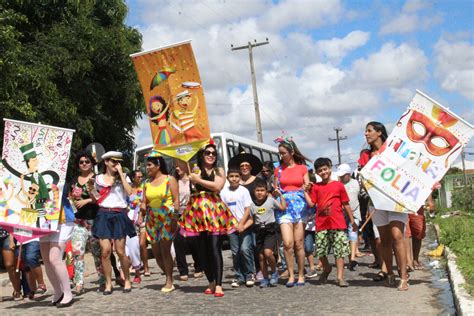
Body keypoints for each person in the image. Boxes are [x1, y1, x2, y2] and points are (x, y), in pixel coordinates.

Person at [178, 141, 237, 297]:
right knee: (201, 250)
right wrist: (178, 144)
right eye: (207, 153)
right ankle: (210, 280)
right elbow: (179, 161)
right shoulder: (194, 168)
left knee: (214, 247)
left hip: (213, 212)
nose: (211, 155)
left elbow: (217, 187)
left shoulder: (219, 170)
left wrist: (198, 180)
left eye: (213, 153)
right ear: (202, 155)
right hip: (196, 213)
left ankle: (218, 284)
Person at [362, 121, 409, 291]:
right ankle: (389, 273)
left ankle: (403, 277)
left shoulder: (393, 150)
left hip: (397, 200)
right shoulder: (365, 156)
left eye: (369, 131)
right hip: (376, 203)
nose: (366, 134)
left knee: (397, 236)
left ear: (379, 132)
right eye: (365, 131)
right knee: (384, 240)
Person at [305, 158, 357, 287]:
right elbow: (312, 203)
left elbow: (345, 204)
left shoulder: (338, 185)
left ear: (330, 168)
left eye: (325, 169)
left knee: (339, 251)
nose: (323, 172)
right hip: (322, 223)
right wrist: (305, 192)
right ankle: (326, 268)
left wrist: (352, 220)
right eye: (320, 171)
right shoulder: (316, 187)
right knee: (321, 251)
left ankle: (340, 277)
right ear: (317, 173)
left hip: (338, 223)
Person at [92, 151, 136, 295]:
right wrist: (91, 193)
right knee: (105, 252)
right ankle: (108, 283)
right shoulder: (98, 179)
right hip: (103, 214)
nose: (116, 164)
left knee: (120, 251)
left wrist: (122, 174)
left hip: (119, 213)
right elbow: (96, 197)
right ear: (106, 162)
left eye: (118, 162)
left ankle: (127, 279)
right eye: (113, 161)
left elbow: (130, 193)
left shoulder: (123, 177)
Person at [140, 150, 179, 292]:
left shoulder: (170, 179)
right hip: (152, 219)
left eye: (149, 165)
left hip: (167, 218)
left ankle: (169, 280)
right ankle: (169, 272)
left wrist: (175, 219)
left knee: (165, 250)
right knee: (156, 253)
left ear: (158, 165)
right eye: (147, 165)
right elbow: (144, 202)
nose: (147, 168)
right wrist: (142, 208)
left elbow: (176, 201)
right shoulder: (146, 183)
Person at [273, 137, 310, 287]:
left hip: (300, 206)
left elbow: (307, 184)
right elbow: (275, 188)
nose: (281, 156)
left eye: (283, 153)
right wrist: (275, 192)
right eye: (280, 153)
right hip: (284, 206)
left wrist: (307, 187)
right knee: (287, 243)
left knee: (299, 243)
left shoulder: (302, 168)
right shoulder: (278, 169)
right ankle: (291, 274)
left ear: (291, 152)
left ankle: (301, 274)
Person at [240, 179, 286, 288]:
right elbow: (251, 220)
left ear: (266, 191)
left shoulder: (271, 200)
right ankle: (265, 278)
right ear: (254, 192)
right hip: (259, 231)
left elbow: (283, 207)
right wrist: (243, 227)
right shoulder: (252, 205)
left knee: (268, 253)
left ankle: (274, 272)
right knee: (261, 257)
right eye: (257, 190)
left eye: (262, 190)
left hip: (270, 230)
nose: (259, 192)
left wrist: (281, 196)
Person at [69, 151, 103, 294]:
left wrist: (86, 200)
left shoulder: (96, 179)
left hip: (95, 220)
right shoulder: (73, 180)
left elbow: (99, 197)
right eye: (81, 162)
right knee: (78, 253)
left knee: (98, 252)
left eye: (87, 161)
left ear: (92, 163)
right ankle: (79, 283)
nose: (84, 164)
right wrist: (72, 203)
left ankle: (103, 280)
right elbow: (69, 197)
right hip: (78, 222)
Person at [39, 188, 75, 307]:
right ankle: (58, 292)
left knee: (54, 258)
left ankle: (68, 293)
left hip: (62, 218)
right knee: (46, 260)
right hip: (43, 218)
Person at [220, 167, 254, 288]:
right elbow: (223, 210)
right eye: (231, 176)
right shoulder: (223, 192)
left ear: (240, 178)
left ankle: (249, 274)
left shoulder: (243, 191)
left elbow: (247, 209)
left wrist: (242, 224)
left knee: (245, 249)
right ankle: (239, 276)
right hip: (231, 226)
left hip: (244, 224)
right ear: (227, 178)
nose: (234, 179)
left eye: (236, 176)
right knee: (235, 252)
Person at [172, 159, 203, 281]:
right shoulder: (174, 181)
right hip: (178, 213)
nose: (177, 168)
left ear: (186, 165)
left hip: (192, 213)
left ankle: (199, 267)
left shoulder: (192, 179)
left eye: (179, 166)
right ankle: (183, 270)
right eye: (175, 166)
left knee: (193, 240)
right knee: (178, 241)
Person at [336, 163, 361, 271]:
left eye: (343, 175)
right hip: (342, 214)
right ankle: (350, 257)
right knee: (345, 237)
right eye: (340, 175)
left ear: (349, 174)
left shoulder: (356, 183)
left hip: (355, 213)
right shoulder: (338, 185)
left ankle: (352, 258)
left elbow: (359, 195)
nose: (341, 177)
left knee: (353, 234)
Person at [126, 170, 144, 284]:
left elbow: (143, 204)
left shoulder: (143, 189)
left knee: (135, 247)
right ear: (132, 178)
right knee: (123, 250)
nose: (140, 178)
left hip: (138, 220)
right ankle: (125, 275)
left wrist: (141, 216)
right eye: (138, 177)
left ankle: (138, 271)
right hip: (124, 219)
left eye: (141, 176)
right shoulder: (126, 189)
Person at [0, 228, 22, 300]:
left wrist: (11, 238)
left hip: (6, 234)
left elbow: (11, 220)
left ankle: (17, 290)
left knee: (10, 265)